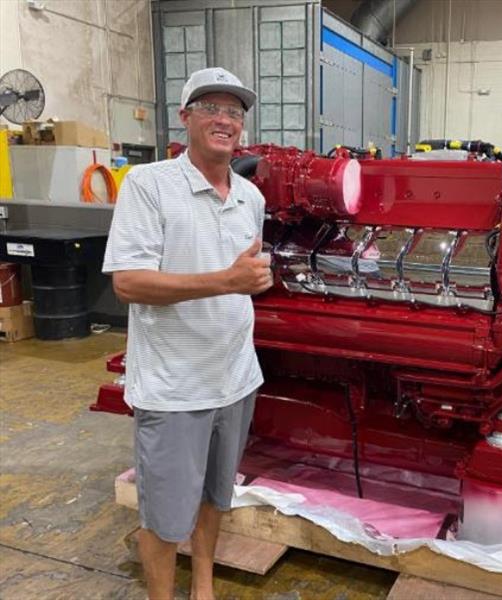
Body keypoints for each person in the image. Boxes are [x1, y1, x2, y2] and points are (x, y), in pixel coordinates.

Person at [102, 67, 272, 600]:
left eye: (235, 112)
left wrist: (248, 283)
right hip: (176, 388)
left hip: (236, 378)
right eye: (212, 108)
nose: (225, 120)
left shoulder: (251, 197)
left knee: (213, 498)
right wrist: (229, 281)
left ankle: (203, 587)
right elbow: (127, 283)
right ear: (185, 118)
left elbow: (246, 275)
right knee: (165, 515)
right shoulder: (150, 186)